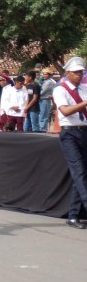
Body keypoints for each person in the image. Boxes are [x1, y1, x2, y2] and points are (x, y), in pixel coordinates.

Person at [52, 57, 87, 229]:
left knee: (81, 175)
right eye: (76, 72)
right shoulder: (60, 90)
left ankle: (73, 216)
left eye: (81, 72)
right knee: (78, 172)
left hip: (84, 131)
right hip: (70, 132)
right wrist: (85, 103)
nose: (79, 75)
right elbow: (64, 110)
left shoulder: (84, 89)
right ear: (67, 73)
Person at [39, 68, 56, 132]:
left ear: (49, 75)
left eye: (45, 74)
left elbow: (42, 92)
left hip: (45, 99)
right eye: (43, 74)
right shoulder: (44, 81)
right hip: (42, 100)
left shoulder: (48, 82)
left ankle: (42, 129)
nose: (44, 75)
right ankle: (42, 128)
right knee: (42, 115)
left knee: (43, 115)